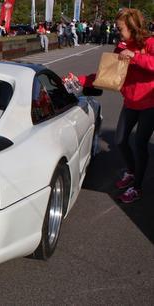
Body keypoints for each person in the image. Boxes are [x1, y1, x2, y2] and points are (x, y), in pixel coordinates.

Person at [79, 8, 154, 203]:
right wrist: (79, 80)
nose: (117, 31)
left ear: (132, 27)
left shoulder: (150, 43)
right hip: (130, 102)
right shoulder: (120, 47)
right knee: (120, 141)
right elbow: (107, 75)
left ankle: (137, 187)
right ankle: (131, 171)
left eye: (120, 28)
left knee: (140, 144)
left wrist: (135, 57)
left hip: (149, 103)